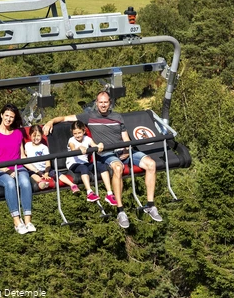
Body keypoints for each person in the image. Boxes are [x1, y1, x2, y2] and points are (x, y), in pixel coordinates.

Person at [43, 90, 162, 229]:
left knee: (151, 164)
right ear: (96, 103)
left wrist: (127, 151)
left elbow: (125, 138)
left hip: (122, 150)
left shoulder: (118, 117)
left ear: (109, 103)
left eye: (106, 102)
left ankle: (150, 205)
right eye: (101, 102)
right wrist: (51, 121)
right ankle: (120, 210)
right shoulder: (89, 117)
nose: (103, 105)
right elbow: (64, 118)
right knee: (118, 168)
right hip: (106, 153)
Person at [0, 104, 35, 234]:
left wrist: (38, 171)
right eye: (6, 116)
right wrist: (7, 170)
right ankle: (16, 220)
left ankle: (28, 220)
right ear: (1, 115)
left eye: (11, 117)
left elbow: (22, 156)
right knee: (9, 182)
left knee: (25, 182)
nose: (8, 119)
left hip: (17, 167)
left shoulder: (17, 133)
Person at [65, 120, 113, 203]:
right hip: (73, 164)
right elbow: (73, 148)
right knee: (84, 168)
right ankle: (89, 192)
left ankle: (109, 193)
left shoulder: (87, 139)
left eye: (79, 133)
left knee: (101, 166)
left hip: (85, 162)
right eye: (75, 133)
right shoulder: (71, 140)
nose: (77, 135)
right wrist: (79, 148)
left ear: (84, 131)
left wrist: (99, 145)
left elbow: (94, 146)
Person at [24, 124, 77, 192]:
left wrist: (46, 173)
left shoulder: (44, 148)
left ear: (42, 135)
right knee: (33, 175)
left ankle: (72, 184)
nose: (36, 138)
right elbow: (25, 155)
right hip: (34, 170)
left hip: (45, 169)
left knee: (57, 173)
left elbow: (47, 162)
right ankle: (41, 182)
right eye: (34, 136)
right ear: (30, 135)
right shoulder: (27, 145)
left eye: (38, 136)